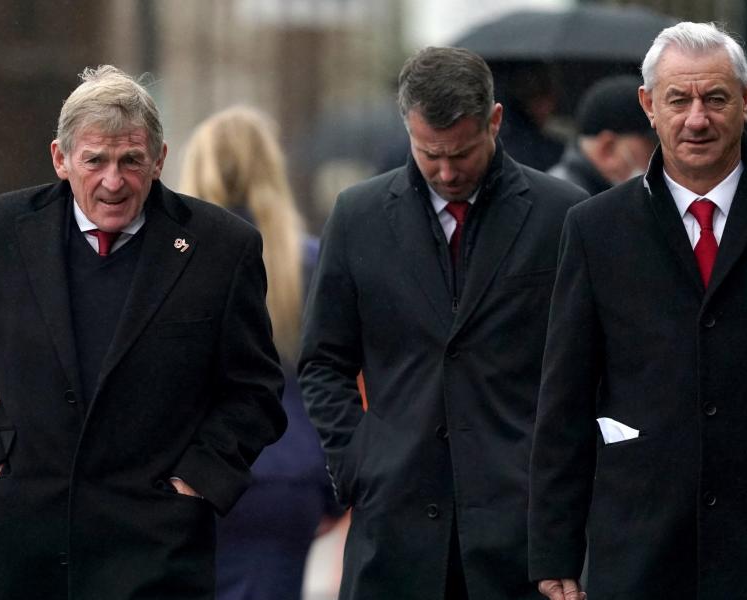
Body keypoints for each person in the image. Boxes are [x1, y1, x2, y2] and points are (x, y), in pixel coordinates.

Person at [528, 21, 747, 600]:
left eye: (715, 98)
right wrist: (553, 546)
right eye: (679, 100)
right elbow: (564, 397)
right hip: (639, 542)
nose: (697, 118)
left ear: (744, 102)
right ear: (649, 106)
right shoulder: (595, 229)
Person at [0, 66, 287, 600]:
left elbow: (254, 390)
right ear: (61, 159)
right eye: (94, 160)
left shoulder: (221, 248)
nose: (113, 181)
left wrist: (194, 486)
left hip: (158, 554)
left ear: (159, 160)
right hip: (23, 548)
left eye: (131, 161)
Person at [299, 46, 587, 600]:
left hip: (521, 536)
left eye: (462, 152)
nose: (447, 171)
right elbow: (323, 361)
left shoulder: (563, 216)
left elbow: (586, 365)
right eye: (429, 154)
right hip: (395, 532)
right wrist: (359, 461)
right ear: (406, 126)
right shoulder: (358, 217)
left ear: (495, 121)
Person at [179, 105, 343, 600]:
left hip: (191, 475)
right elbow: (335, 377)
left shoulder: (173, 261)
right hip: (287, 476)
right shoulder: (309, 263)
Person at [547, 75, 657, 195]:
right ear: (607, 149)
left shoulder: (574, 191)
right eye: (651, 148)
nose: (660, 157)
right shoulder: (567, 200)